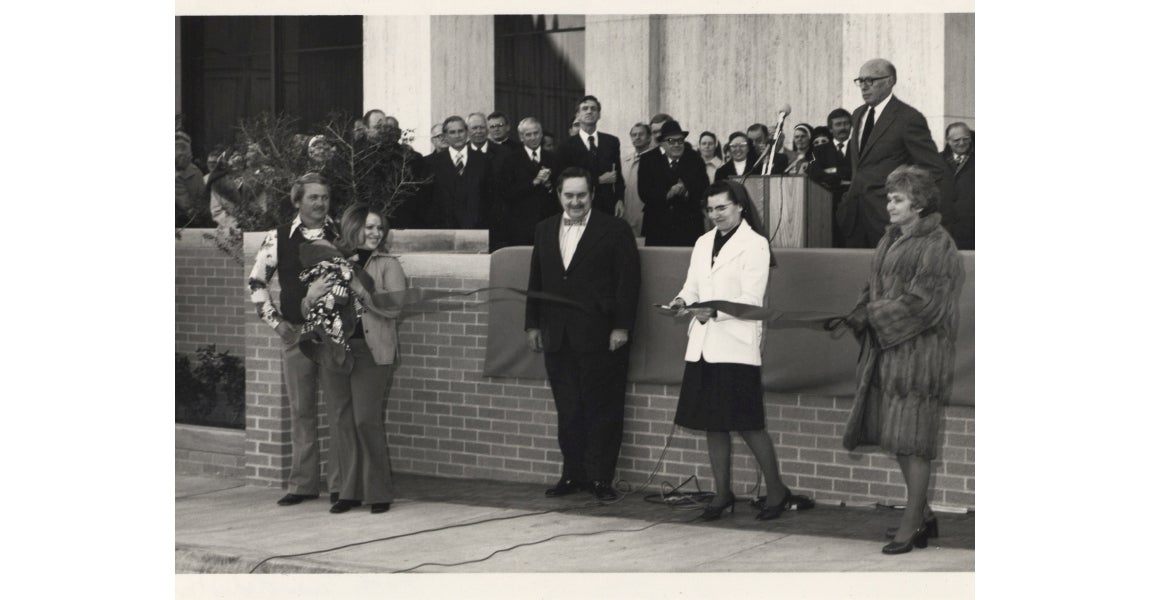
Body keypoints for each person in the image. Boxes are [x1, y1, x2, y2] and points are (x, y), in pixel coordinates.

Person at [667, 179, 814, 522]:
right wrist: (681, 300)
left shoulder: (755, 244)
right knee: (712, 425)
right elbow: (692, 285)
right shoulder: (703, 242)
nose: (715, 214)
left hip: (735, 345)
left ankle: (776, 490)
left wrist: (713, 310)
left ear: (740, 206)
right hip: (704, 344)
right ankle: (722, 494)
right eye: (710, 209)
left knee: (748, 424)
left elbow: (751, 299)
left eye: (722, 207)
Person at [842, 165, 964, 554]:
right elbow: (873, 285)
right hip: (889, 353)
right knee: (898, 439)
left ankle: (911, 524)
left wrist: (874, 316)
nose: (889, 205)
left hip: (919, 357)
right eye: (889, 198)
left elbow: (924, 303)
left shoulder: (938, 244)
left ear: (920, 203)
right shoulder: (890, 237)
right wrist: (861, 307)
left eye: (898, 199)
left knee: (914, 442)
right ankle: (924, 515)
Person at [525, 167, 640, 502]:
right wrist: (532, 324)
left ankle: (601, 478)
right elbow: (537, 280)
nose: (575, 201)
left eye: (582, 195)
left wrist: (621, 327)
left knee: (603, 407)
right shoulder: (544, 229)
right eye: (568, 195)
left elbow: (628, 283)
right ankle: (572, 475)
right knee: (569, 407)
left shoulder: (615, 230)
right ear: (558, 195)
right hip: (557, 336)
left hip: (602, 335)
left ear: (592, 194)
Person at [302, 203, 407, 515]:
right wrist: (311, 295)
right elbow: (310, 313)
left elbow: (394, 308)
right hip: (335, 350)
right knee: (342, 422)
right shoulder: (330, 261)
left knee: (365, 420)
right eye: (370, 227)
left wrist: (360, 288)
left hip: (372, 353)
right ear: (353, 227)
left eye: (380, 228)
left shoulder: (388, 264)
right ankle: (348, 491)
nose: (376, 233)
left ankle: (378, 491)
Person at [248, 172, 341, 507]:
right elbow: (257, 282)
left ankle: (341, 485)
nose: (320, 203)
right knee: (301, 410)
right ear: (298, 200)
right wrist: (275, 322)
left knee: (337, 409)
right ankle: (302, 485)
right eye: (313, 197)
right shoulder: (277, 239)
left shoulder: (341, 233)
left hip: (334, 335)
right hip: (296, 334)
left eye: (325, 197)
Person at [839, 58, 951, 248]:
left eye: (870, 81)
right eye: (860, 81)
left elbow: (933, 169)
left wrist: (910, 206)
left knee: (892, 275)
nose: (864, 87)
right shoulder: (858, 114)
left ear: (890, 81)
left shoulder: (908, 118)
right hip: (854, 216)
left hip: (889, 218)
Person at [490, 117, 558, 250]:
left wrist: (549, 185)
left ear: (541, 134)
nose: (533, 138)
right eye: (528, 134)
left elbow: (559, 189)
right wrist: (534, 182)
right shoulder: (510, 159)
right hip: (520, 223)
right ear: (521, 137)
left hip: (547, 221)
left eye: (536, 133)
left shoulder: (552, 158)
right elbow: (506, 192)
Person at [638, 120, 708, 247]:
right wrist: (668, 194)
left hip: (689, 228)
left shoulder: (695, 159)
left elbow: (704, 189)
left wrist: (686, 191)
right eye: (671, 141)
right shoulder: (648, 160)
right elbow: (643, 192)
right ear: (662, 143)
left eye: (680, 140)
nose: (677, 144)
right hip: (657, 227)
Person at [558, 95, 625, 217]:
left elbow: (618, 175)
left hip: (607, 206)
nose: (589, 111)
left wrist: (620, 200)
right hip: (579, 206)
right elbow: (565, 179)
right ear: (577, 115)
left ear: (599, 115)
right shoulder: (566, 146)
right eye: (585, 108)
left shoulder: (611, 141)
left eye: (593, 109)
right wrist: (598, 180)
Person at [425, 115, 493, 230]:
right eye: (452, 132)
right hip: (443, 229)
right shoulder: (430, 163)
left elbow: (490, 197)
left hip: (478, 229)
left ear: (467, 133)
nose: (457, 136)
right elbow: (428, 200)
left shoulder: (484, 160)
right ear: (445, 136)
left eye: (460, 131)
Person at [940, 122, 974, 250]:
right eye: (956, 140)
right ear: (948, 141)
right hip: (943, 230)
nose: (961, 143)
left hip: (971, 231)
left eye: (965, 139)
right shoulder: (936, 161)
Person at [620, 122, 655, 237]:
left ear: (649, 137)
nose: (637, 137)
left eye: (641, 134)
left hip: (645, 216)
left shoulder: (656, 161)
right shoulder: (624, 161)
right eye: (634, 135)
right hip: (625, 215)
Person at [176, 131, 206, 225]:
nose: (190, 156)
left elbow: (203, 200)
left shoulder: (196, 172)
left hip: (193, 223)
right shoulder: (195, 172)